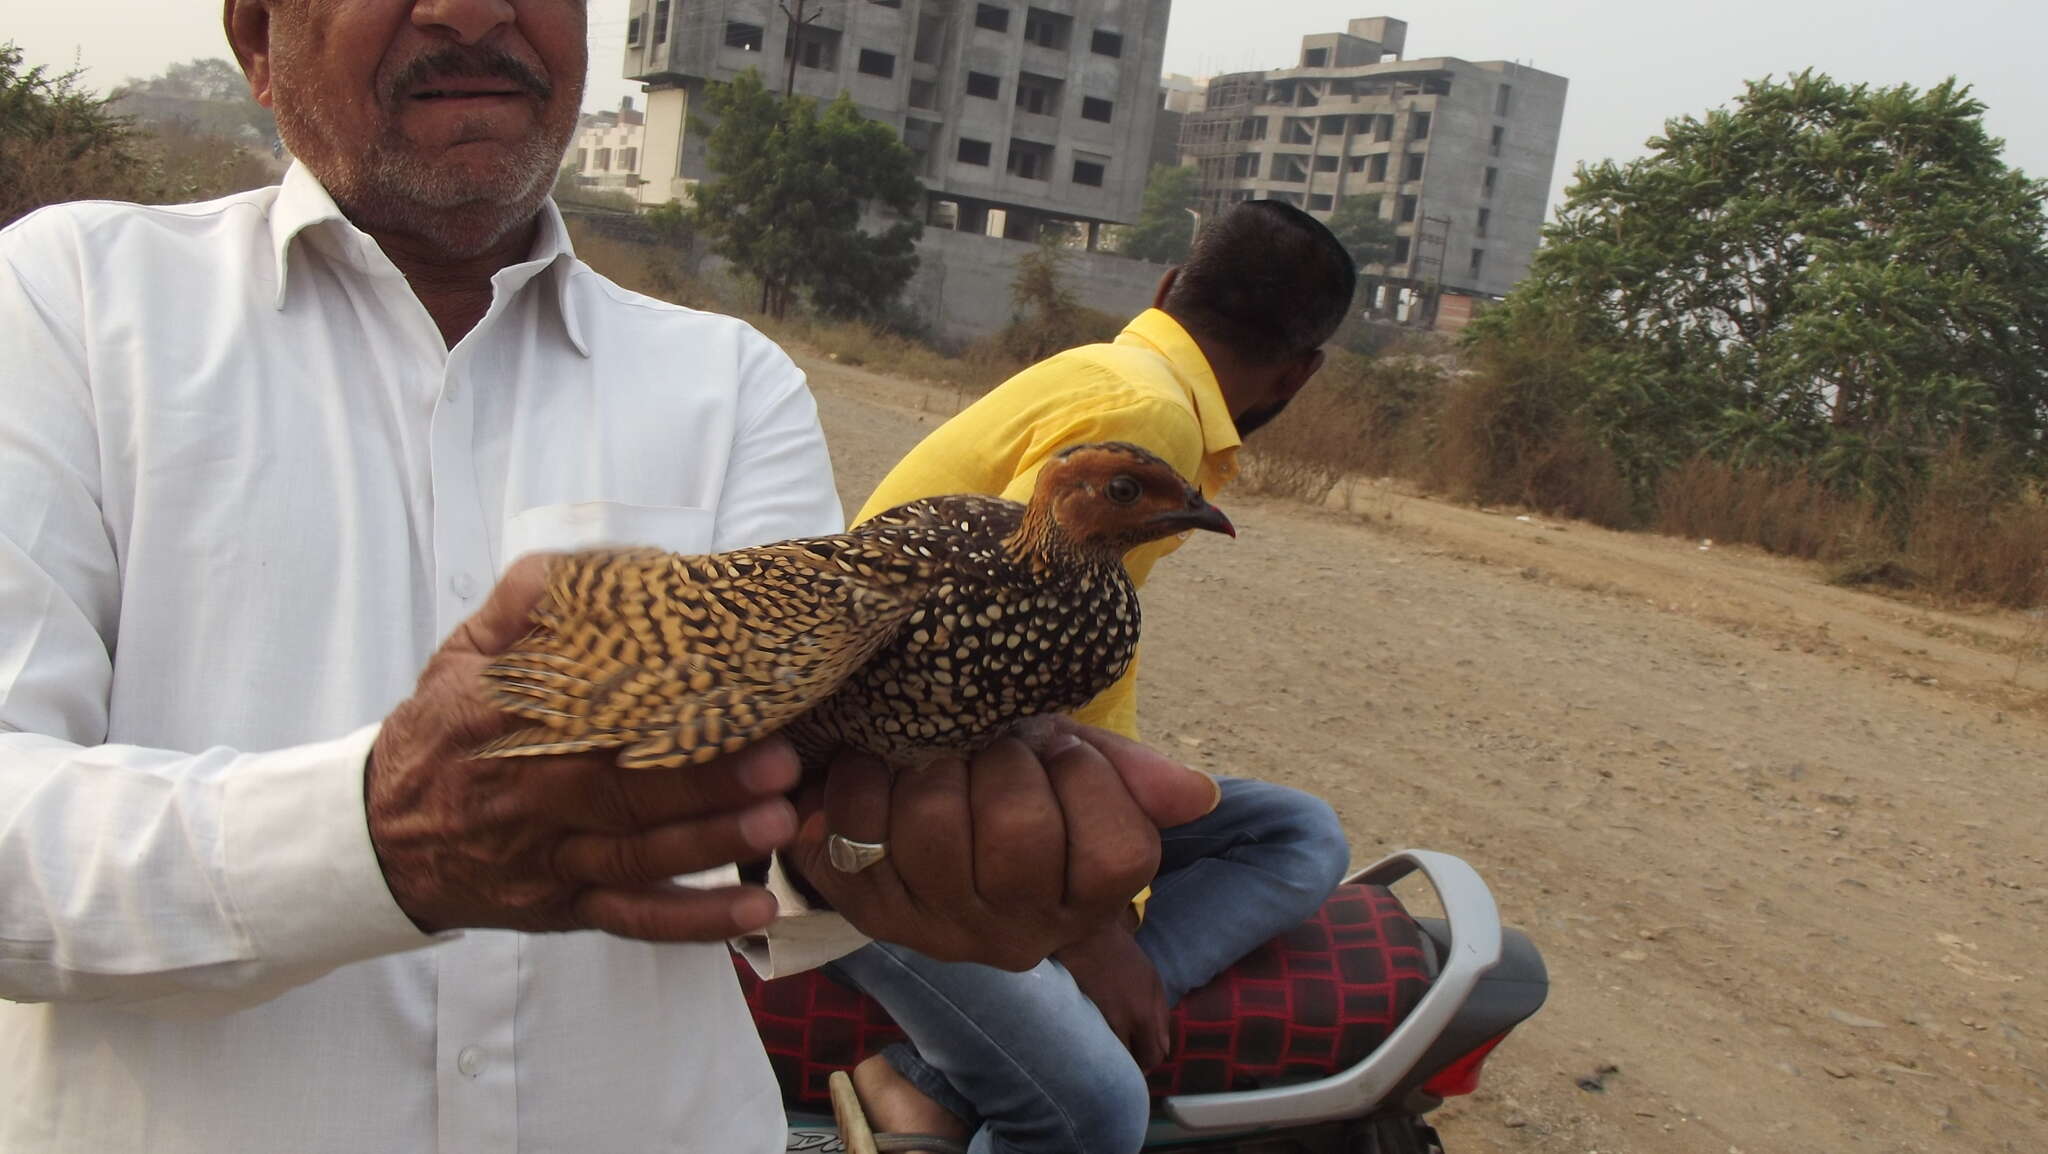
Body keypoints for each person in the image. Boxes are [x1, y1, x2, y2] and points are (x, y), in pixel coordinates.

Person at [0, 2, 1218, 1151]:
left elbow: (774, 849)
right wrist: (373, 837)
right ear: (259, 37)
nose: (473, 13)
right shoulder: (64, 305)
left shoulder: (729, 385)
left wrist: (885, 855)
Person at [828, 201, 1360, 1154]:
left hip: (1004, 761)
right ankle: (1005, 1055)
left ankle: (934, 1071)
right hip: (894, 808)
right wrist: (1091, 935)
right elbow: (956, 677)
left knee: (1297, 831)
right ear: (1300, 374)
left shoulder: (1109, 373)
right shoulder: (1146, 417)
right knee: (1096, 1113)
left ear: (1164, 292)